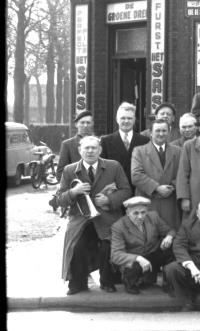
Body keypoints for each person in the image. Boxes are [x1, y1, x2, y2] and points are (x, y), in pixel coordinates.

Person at [57, 136, 132, 295]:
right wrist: (74, 191)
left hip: (107, 217)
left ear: (100, 150)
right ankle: (78, 283)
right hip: (80, 219)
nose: (90, 151)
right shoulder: (70, 170)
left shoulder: (114, 166)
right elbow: (60, 200)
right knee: (77, 246)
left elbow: (126, 190)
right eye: (86, 148)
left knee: (107, 246)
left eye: (93, 148)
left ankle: (107, 282)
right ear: (79, 150)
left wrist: (109, 200)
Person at [110, 196, 175, 294]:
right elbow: (115, 255)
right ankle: (130, 282)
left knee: (172, 246)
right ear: (127, 213)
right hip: (135, 260)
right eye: (135, 213)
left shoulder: (153, 216)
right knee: (134, 285)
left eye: (143, 212)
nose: (140, 216)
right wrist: (138, 258)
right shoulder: (118, 226)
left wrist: (169, 236)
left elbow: (170, 230)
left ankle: (168, 282)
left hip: (152, 254)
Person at [131, 118, 182, 230]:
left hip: (170, 203)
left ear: (168, 132)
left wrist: (171, 187)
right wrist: (157, 188)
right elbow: (136, 175)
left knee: (170, 236)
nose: (161, 133)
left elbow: (182, 174)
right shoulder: (139, 151)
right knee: (148, 237)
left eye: (164, 131)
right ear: (150, 133)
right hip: (148, 202)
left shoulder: (178, 151)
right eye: (157, 130)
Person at [100, 102, 149, 188]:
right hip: (115, 189)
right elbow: (102, 169)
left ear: (134, 120)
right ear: (117, 119)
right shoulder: (105, 141)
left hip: (137, 190)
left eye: (129, 118)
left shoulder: (144, 141)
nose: (126, 121)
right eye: (123, 118)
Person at [57, 110, 94, 180]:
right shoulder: (67, 145)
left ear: (93, 123)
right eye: (82, 122)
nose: (85, 125)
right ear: (76, 124)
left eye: (88, 123)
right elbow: (60, 173)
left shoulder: (100, 143)